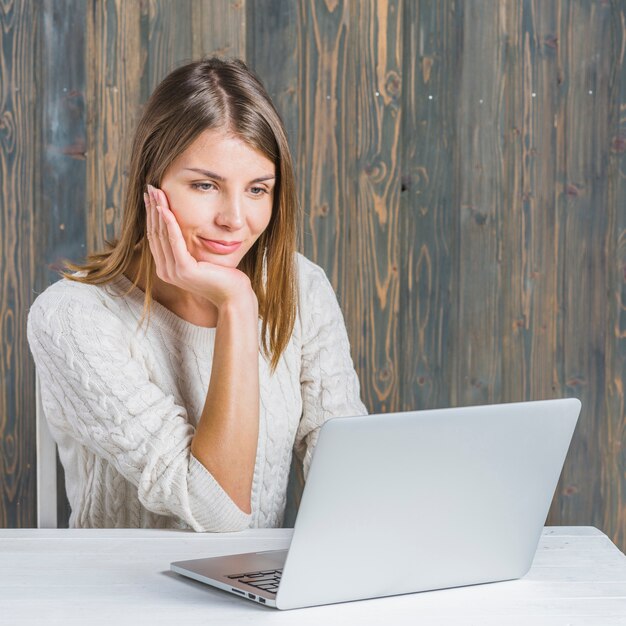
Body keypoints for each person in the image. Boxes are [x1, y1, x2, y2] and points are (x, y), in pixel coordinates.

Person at [27, 57, 367, 532]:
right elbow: (215, 513)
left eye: (257, 189)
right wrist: (237, 305)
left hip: (256, 593)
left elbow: (347, 469)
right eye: (205, 185)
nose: (234, 218)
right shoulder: (72, 318)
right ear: (152, 182)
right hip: (122, 598)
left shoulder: (301, 286)